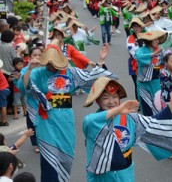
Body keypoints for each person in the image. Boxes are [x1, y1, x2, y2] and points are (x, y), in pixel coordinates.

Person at [24, 39, 118, 182]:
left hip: (65, 119)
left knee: (65, 156)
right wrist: (30, 69)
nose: (50, 65)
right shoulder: (38, 72)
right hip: (46, 120)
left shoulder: (71, 72)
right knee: (49, 159)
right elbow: (26, 86)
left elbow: (93, 78)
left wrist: (100, 61)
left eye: (53, 62)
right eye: (48, 62)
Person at [82, 77, 172, 182]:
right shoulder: (93, 122)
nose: (111, 102)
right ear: (98, 101)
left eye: (115, 97)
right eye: (106, 98)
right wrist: (118, 110)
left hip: (125, 172)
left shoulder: (130, 118)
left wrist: (171, 105)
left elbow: (152, 122)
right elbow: (88, 120)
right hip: (101, 175)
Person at [15, 47, 43, 153]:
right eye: (34, 55)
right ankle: (37, 143)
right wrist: (29, 69)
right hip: (32, 101)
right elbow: (22, 88)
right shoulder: (25, 69)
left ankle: (47, 141)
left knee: (46, 122)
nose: (37, 57)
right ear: (30, 57)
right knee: (33, 122)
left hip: (45, 99)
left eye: (39, 55)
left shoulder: (46, 68)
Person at [135, 31, 167, 116]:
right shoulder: (141, 50)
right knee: (146, 107)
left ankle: (157, 126)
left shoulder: (160, 50)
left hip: (156, 82)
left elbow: (166, 61)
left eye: (158, 40)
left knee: (158, 106)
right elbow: (138, 57)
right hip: (144, 83)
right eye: (155, 40)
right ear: (149, 40)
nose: (158, 41)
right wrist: (151, 55)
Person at [126, 18, 144, 101]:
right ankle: (139, 102)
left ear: (141, 27)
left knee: (146, 84)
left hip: (146, 63)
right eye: (134, 26)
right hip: (134, 63)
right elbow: (133, 51)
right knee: (137, 84)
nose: (136, 28)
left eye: (138, 26)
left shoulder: (147, 36)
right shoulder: (130, 38)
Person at [0, 60, 10, 127]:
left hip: (2, 89)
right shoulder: (0, 71)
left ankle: (4, 121)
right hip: (6, 88)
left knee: (3, 105)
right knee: (2, 105)